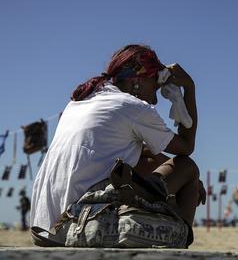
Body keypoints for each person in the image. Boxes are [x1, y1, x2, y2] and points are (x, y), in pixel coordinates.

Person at [30, 44, 205, 246]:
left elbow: (145, 154)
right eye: (154, 87)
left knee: (143, 163)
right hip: (79, 222)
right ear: (137, 80)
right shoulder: (133, 107)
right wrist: (189, 88)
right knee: (188, 167)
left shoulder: (81, 101)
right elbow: (186, 147)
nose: (155, 99)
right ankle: (180, 245)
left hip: (44, 227)